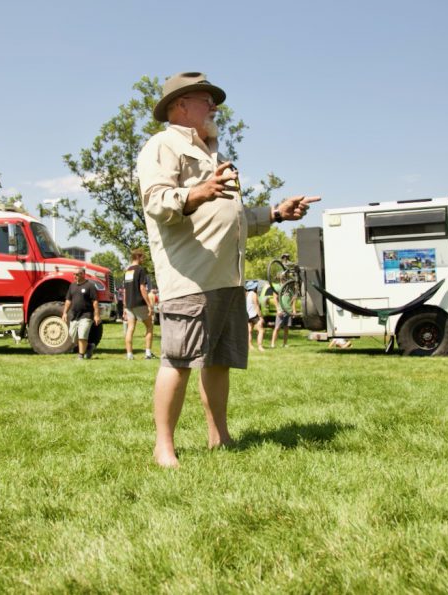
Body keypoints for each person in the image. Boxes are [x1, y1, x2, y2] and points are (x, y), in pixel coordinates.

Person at [137, 71, 320, 468]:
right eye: (207, 99)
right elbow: (156, 201)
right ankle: (163, 446)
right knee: (179, 361)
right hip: (189, 276)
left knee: (219, 360)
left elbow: (233, 219)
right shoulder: (162, 145)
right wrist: (197, 192)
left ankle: (219, 437)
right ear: (180, 105)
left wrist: (275, 213)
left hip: (227, 277)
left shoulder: (214, 155)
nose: (215, 107)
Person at [123, 248, 156, 360]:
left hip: (129, 304)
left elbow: (125, 291)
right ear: (138, 257)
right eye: (143, 257)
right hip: (139, 303)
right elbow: (142, 288)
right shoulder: (140, 270)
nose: (143, 259)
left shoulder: (127, 271)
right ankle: (147, 353)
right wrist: (149, 304)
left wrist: (124, 306)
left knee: (130, 328)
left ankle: (129, 355)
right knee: (149, 326)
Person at [62, 268, 101, 359]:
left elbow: (95, 301)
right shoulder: (72, 286)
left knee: (82, 334)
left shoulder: (90, 286)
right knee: (73, 336)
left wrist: (96, 315)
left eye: (77, 274)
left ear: (83, 274)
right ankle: (89, 347)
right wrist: (64, 313)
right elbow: (68, 300)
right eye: (74, 274)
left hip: (86, 315)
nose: (75, 276)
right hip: (74, 315)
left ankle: (81, 355)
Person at [270, 282, 294, 348]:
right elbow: (275, 299)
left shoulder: (289, 288)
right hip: (281, 310)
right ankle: (272, 344)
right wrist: (278, 309)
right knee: (277, 327)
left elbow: (293, 298)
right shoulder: (277, 287)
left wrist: (292, 309)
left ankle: (285, 343)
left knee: (286, 328)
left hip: (288, 311)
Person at [245, 281, 265, 353]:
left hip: (247, 315)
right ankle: (260, 347)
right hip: (254, 315)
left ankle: (250, 346)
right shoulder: (254, 294)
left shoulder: (246, 294)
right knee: (261, 330)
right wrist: (260, 317)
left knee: (249, 331)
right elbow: (256, 306)